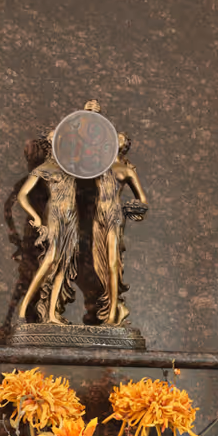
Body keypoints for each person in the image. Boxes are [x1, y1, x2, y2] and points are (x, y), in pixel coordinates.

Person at [16, 133, 79, 324]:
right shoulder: (44, 169)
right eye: (54, 139)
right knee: (49, 260)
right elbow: (22, 195)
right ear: (48, 145)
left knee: (64, 264)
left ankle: (52, 314)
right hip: (55, 217)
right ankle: (23, 307)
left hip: (71, 218)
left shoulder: (73, 167)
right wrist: (35, 216)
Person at [92, 133, 148, 326]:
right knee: (99, 265)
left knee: (113, 263)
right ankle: (115, 307)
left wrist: (133, 210)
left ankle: (112, 316)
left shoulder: (126, 171)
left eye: (121, 138)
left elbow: (142, 200)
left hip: (115, 216)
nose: (116, 138)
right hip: (98, 217)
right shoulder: (97, 166)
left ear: (124, 146)